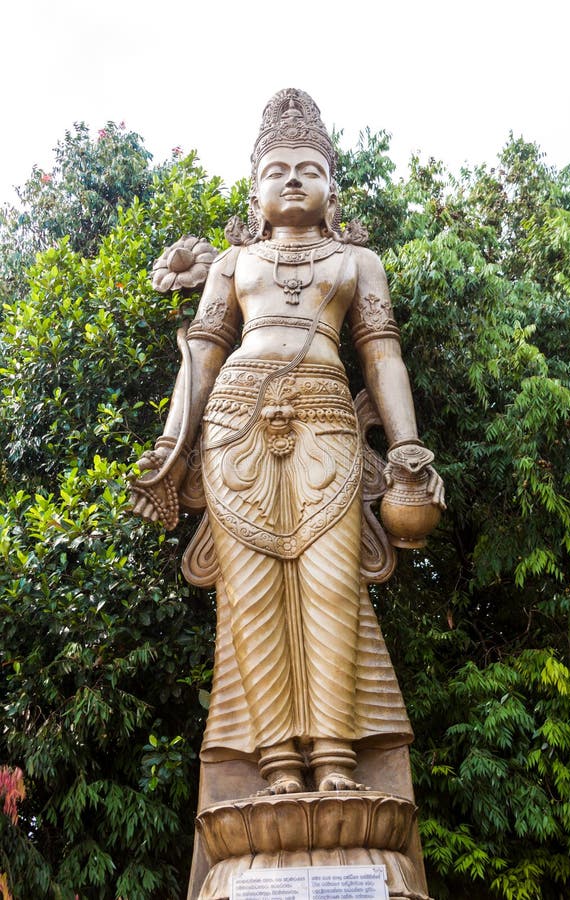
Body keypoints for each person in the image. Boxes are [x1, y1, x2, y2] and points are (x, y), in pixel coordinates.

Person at [130, 88, 444, 796]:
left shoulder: (357, 264)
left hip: (327, 422)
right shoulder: (232, 265)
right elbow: (203, 359)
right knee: (253, 594)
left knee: (332, 587)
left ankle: (335, 759)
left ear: (333, 190)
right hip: (237, 426)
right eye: (277, 169)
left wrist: (408, 447)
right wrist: (172, 441)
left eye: (309, 167)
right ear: (254, 191)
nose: (294, 178)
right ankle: (273, 763)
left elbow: (383, 353)